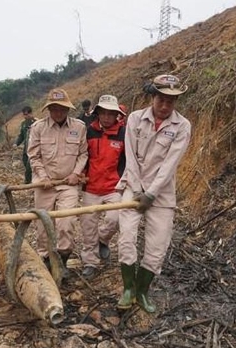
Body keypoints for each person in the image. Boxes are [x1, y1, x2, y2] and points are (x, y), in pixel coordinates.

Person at [116, 74, 191, 313]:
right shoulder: (135, 119)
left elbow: (170, 164)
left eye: (171, 101)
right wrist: (138, 191)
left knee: (158, 244)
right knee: (127, 236)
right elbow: (130, 156)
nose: (165, 105)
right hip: (133, 186)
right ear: (153, 97)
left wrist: (151, 193)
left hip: (162, 193)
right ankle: (128, 288)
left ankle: (142, 291)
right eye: (161, 99)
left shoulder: (182, 126)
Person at [27, 88, 88, 271]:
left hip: (68, 184)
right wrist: (43, 177)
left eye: (62, 109)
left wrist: (76, 174)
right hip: (44, 184)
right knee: (43, 226)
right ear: (49, 109)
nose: (58, 112)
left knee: (66, 222)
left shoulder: (79, 127)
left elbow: (83, 154)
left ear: (68, 109)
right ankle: (45, 260)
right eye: (54, 109)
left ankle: (63, 260)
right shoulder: (38, 128)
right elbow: (34, 156)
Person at [79, 95, 126, 278]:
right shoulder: (88, 132)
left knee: (115, 218)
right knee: (88, 225)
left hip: (113, 187)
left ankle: (103, 239)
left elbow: (127, 160)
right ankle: (90, 261)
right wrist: (81, 174)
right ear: (97, 113)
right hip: (91, 187)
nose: (106, 117)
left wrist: (123, 181)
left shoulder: (123, 134)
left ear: (117, 115)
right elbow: (82, 155)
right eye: (103, 113)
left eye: (111, 114)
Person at [13, 106, 36, 184]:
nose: (26, 116)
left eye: (27, 114)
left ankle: (28, 182)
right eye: (24, 115)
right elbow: (21, 136)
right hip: (26, 148)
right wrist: (16, 143)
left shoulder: (36, 122)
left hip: (34, 148)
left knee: (30, 165)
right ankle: (31, 180)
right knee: (25, 162)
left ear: (31, 113)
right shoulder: (23, 123)